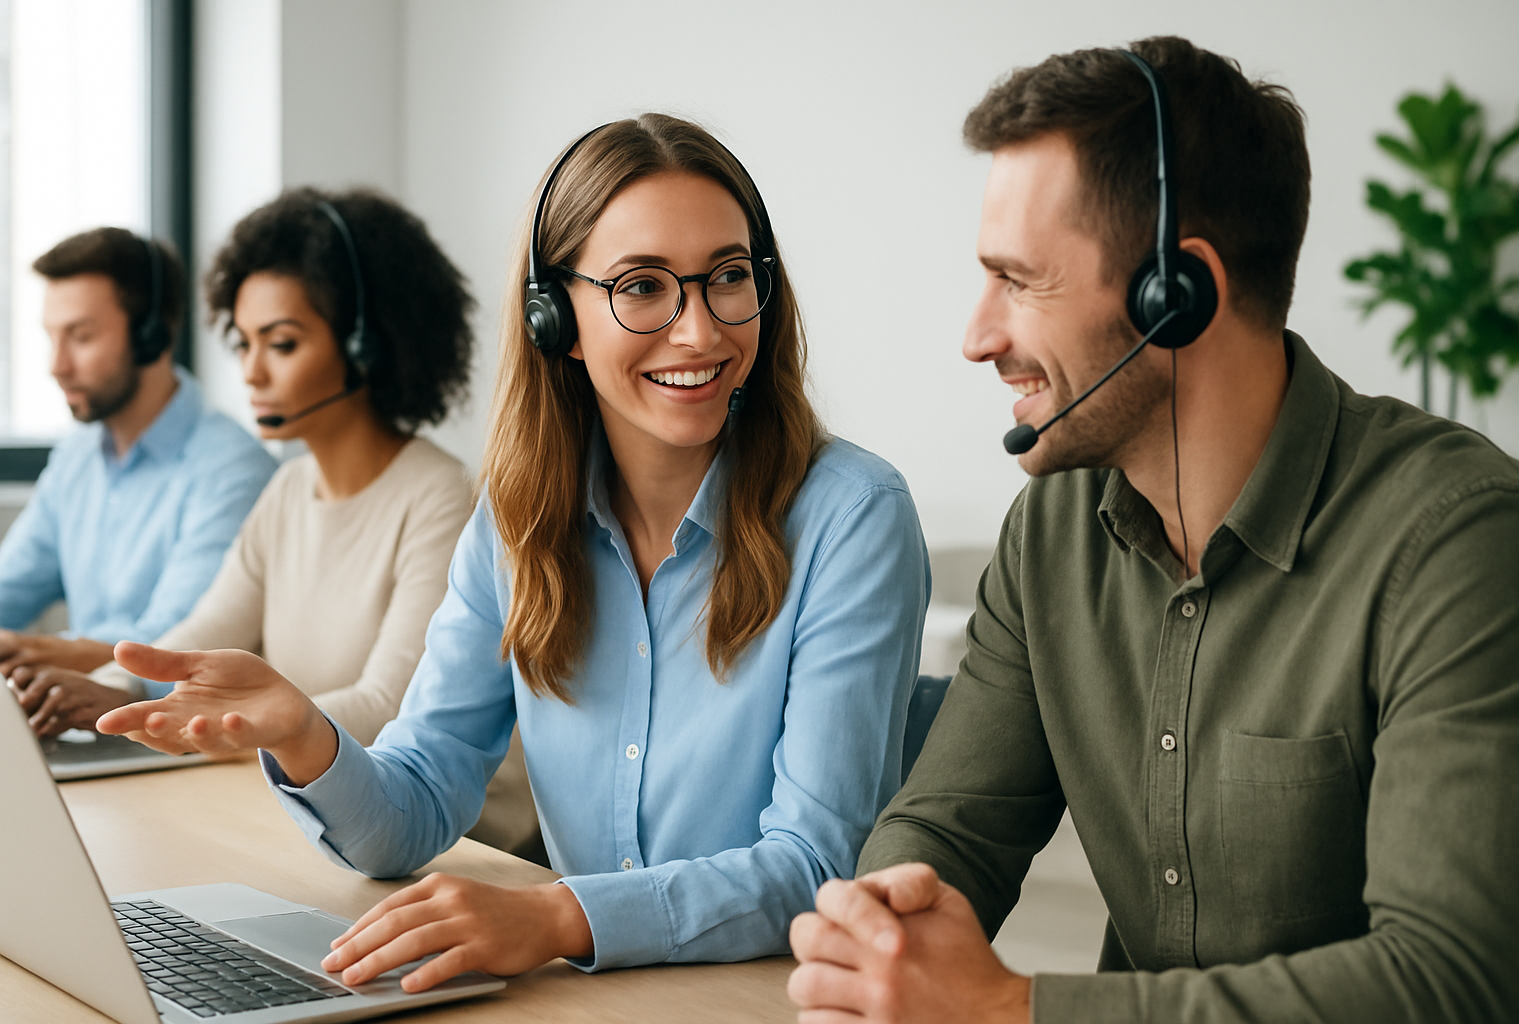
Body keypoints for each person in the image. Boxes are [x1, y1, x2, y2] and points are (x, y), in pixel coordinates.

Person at [787, 36, 1519, 1024]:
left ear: (1173, 298)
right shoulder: (1051, 532)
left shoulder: (1462, 543)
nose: (977, 335)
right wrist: (877, 932)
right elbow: (951, 827)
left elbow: (1452, 979)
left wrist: (1009, 1007)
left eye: (1019, 280)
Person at [99, 113, 931, 986]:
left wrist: (557, 915)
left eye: (728, 276)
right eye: (643, 287)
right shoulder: (519, 518)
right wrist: (307, 735)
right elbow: (413, 809)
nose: (700, 332)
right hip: (591, 1000)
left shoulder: (853, 517)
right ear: (551, 317)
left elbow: (814, 864)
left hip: (767, 996)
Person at [13, 189, 537, 856]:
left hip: (458, 846)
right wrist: (104, 696)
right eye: (244, 342)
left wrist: (237, 724)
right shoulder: (288, 490)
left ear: (366, 345)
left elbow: (387, 709)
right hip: (315, 807)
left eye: (282, 344)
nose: (252, 372)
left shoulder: (438, 495)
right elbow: (194, 642)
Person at [0, 228, 274, 691]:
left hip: (176, 735)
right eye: (52, 338)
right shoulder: (77, 458)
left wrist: (51, 652)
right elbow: (11, 586)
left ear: (151, 334)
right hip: (87, 720)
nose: (56, 365)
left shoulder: (233, 469)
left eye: (80, 337)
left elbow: (176, 650)